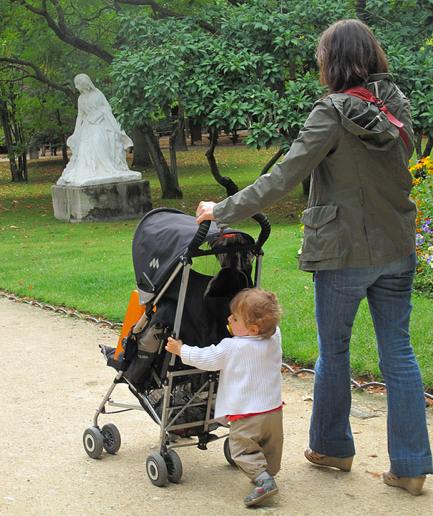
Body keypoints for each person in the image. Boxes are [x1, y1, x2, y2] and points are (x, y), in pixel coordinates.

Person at [195, 19, 432, 495]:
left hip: (343, 252)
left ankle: (331, 447)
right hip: (397, 247)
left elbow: (283, 176)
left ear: (334, 61)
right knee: (399, 354)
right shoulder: (395, 106)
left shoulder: (333, 112)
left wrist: (220, 210)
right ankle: (410, 467)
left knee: (335, 352)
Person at [165, 288, 283, 507]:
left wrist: (181, 350)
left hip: (246, 414)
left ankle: (263, 480)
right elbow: (272, 327)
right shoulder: (274, 337)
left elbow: (207, 358)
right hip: (274, 409)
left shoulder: (232, 347)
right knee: (271, 445)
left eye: (235, 318)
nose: (228, 319)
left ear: (253, 328)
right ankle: (269, 471)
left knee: (241, 448)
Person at [57, 73, 141, 187]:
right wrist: (76, 132)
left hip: (101, 124)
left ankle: (106, 168)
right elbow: (80, 115)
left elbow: (107, 108)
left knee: (98, 144)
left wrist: (99, 114)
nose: (76, 87)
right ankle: (91, 170)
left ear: (85, 83)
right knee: (85, 149)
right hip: (88, 127)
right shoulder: (80, 98)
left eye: (78, 84)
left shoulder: (98, 94)